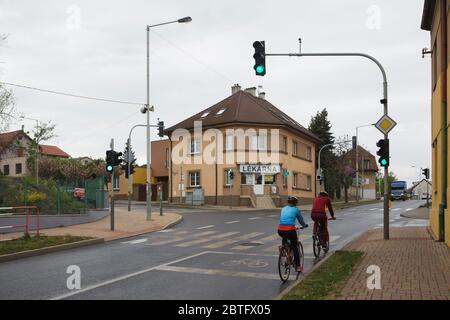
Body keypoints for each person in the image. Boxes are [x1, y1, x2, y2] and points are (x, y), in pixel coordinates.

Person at [278, 196, 308, 272]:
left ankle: (284, 251)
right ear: (295, 203)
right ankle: (298, 267)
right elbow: (301, 220)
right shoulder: (296, 209)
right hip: (290, 230)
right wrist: (304, 225)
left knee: (285, 239)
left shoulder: (283, 208)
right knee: (295, 247)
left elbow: (283, 219)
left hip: (280, 230)